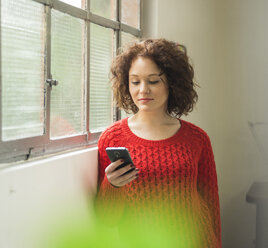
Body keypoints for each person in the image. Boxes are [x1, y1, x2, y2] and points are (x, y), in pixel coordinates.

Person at [95, 38, 221, 247]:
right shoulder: (112, 138)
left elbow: (211, 206)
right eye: (135, 81)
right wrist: (113, 185)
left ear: (172, 83)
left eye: (153, 81)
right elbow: (106, 219)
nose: (143, 90)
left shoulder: (197, 139)